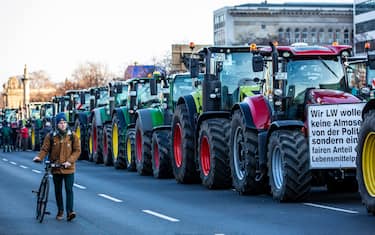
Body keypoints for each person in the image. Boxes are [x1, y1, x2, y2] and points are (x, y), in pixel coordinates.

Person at [33, 112, 81, 221]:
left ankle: (70, 212)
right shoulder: (50, 136)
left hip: (69, 168)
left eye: (64, 122)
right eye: (60, 123)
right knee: (58, 190)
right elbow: (45, 149)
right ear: (56, 124)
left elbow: (77, 150)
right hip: (56, 167)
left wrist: (70, 161)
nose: (63, 125)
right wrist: (39, 158)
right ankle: (60, 211)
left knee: (69, 189)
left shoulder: (73, 136)